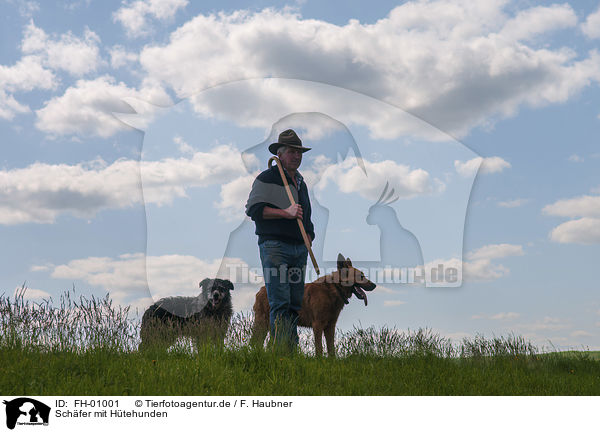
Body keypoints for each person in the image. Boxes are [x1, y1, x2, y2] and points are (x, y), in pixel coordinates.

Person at [245, 129, 315, 350]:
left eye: (299, 152)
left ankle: (289, 350)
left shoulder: (300, 182)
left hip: (299, 248)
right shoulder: (267, 178)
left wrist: (310, 236)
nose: (297, 156)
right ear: (280, 154)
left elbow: (307, 215)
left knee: (295, 303)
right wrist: (285, 213)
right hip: (275, 247)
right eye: (292, 152)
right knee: (280, 301)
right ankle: (281, 352)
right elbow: (253, 210)